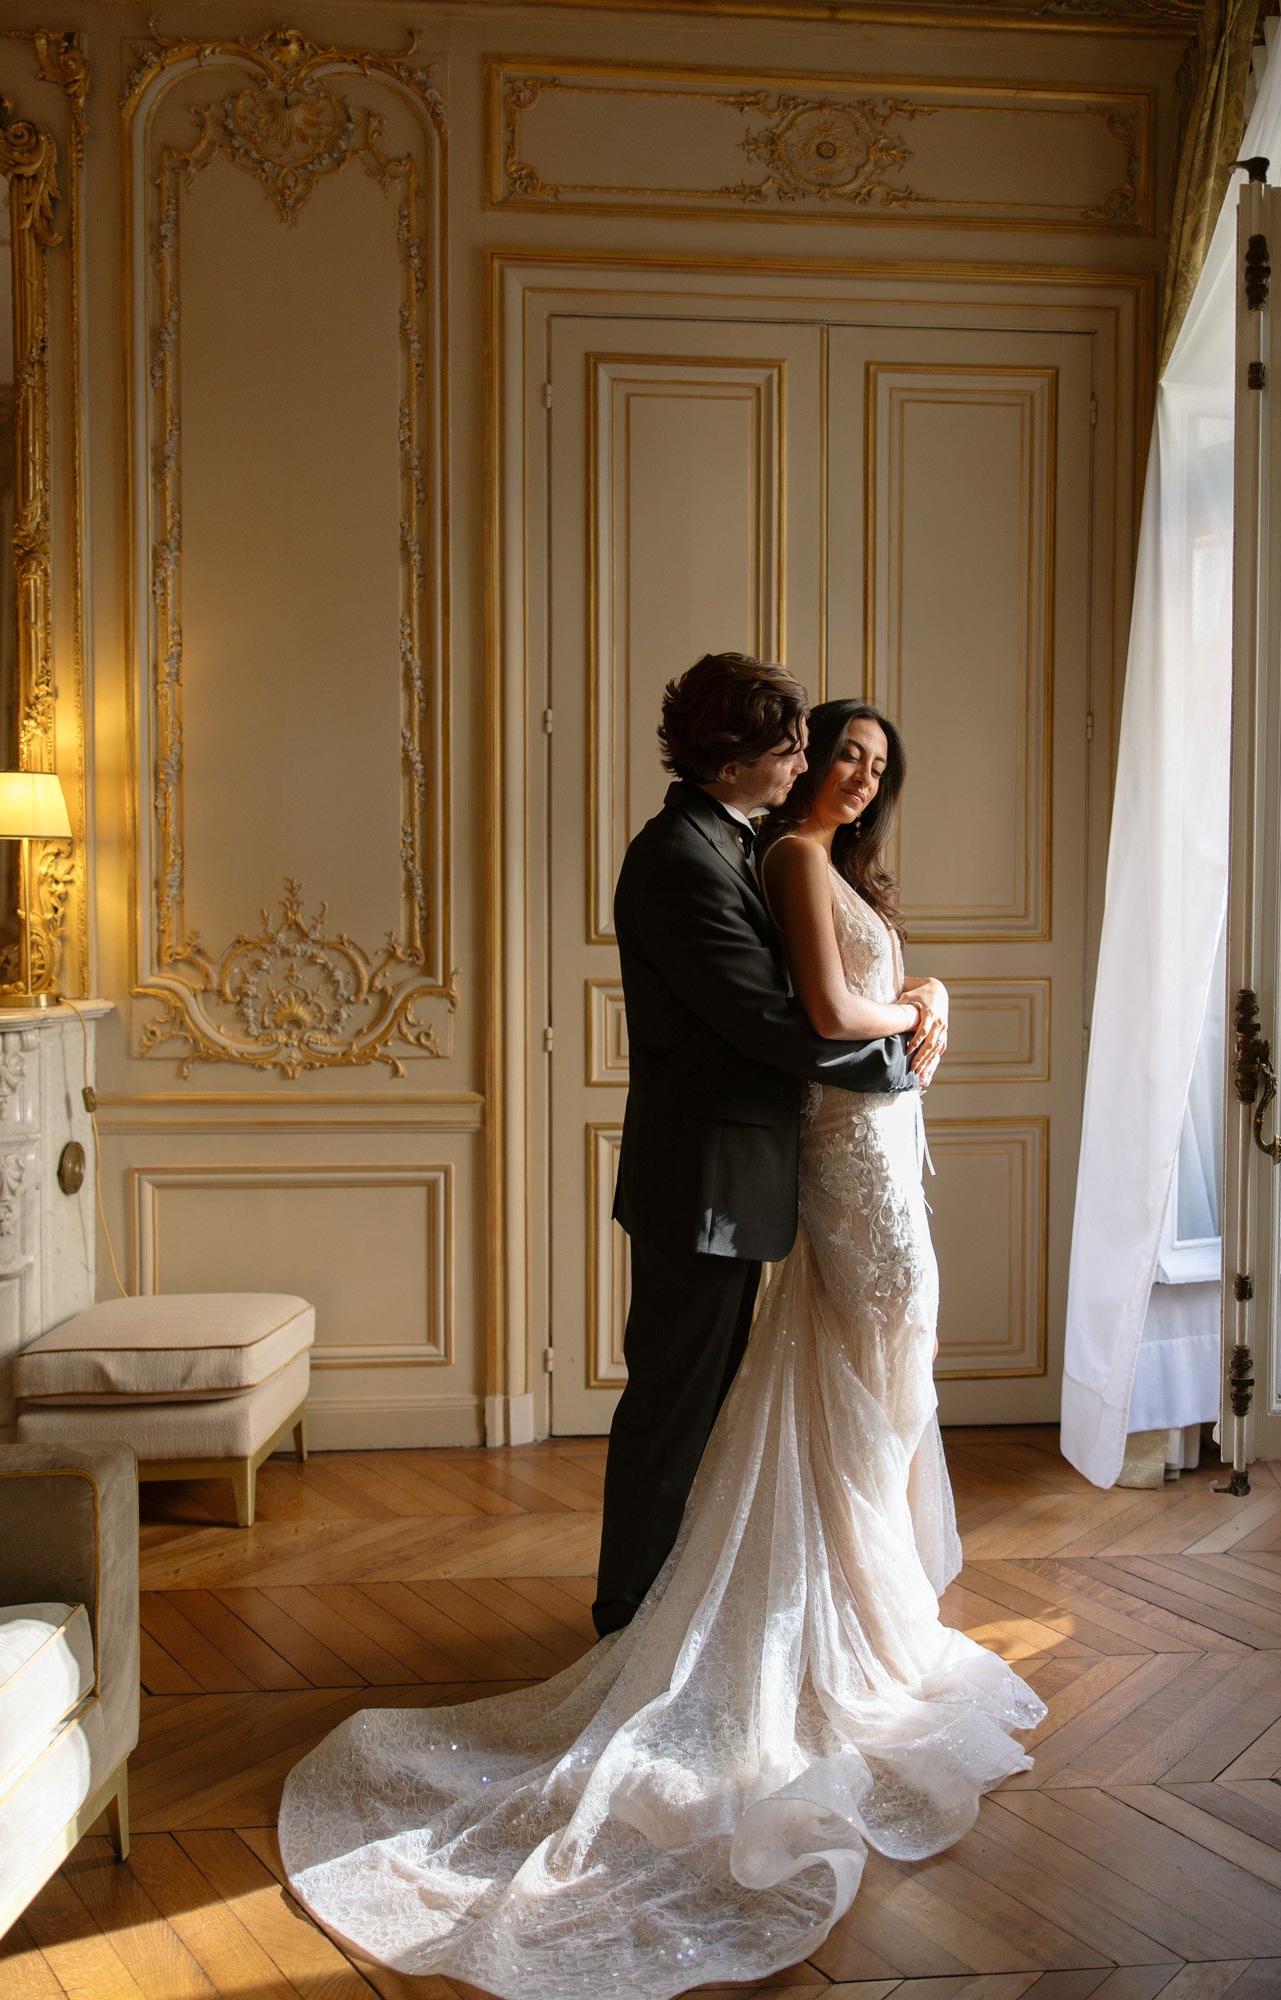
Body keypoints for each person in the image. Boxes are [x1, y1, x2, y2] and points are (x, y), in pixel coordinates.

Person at [279, 693, 1045, 2000]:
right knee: (745, 1398)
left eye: (868, 762)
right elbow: (795, 1015)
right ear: (757, 755)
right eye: (825, 751)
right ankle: (641, 1631)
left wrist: (928, 988)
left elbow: (826, 1000)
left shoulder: (769, 851)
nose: (845, 775)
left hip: (834, 1159)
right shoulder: (737, 857)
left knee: (832, 1390)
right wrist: (908, 1019)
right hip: (792, 1161)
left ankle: (842, 1608)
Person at [596, 652, 922, 1637]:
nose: (800, 762)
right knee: (673, 1408)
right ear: (732, 754)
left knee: (706, 1407)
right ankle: (628, 1623)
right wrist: (901, 1054)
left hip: (735, 1178)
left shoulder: (724, 842)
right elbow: (770, 1022)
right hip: (703, 1183)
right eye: (787, 747)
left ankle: (676, 1604)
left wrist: (918, 1002)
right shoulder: (677, 860)